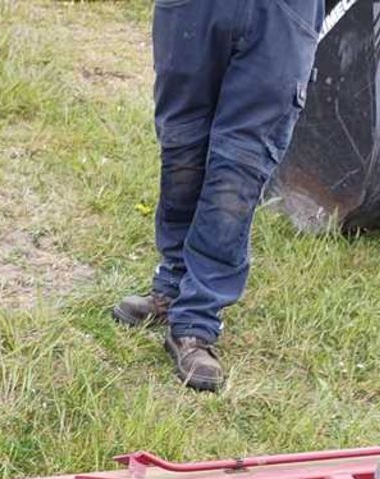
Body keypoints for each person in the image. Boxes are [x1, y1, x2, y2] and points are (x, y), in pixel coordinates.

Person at [113, 0, 325, 392]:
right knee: (182, 148)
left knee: (240, 168)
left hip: (281, 14)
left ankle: (196, 320)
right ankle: (173, 285)